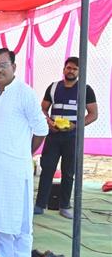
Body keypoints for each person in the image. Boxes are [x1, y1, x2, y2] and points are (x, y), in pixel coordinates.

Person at [0, 49, 48, 257]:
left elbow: (41, 129)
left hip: (16, 168)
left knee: (21, 222)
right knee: (0, 219)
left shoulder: (25, 93)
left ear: (14, 66)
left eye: (3, 64)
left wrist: (24, 154)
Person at [35, 57, 97, 219]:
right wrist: (49, 122)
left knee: (68, 172)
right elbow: (42, 109)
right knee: (47, 169)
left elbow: (93, 114)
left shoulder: (85, 89)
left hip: (72, 137)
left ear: (79, 71)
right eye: (69, 68)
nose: (71, 71)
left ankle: (64, 206)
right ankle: (40, 205)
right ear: (64, 69)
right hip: (53, 136)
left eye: (75, 69)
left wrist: (75, 126)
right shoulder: (54, 87)